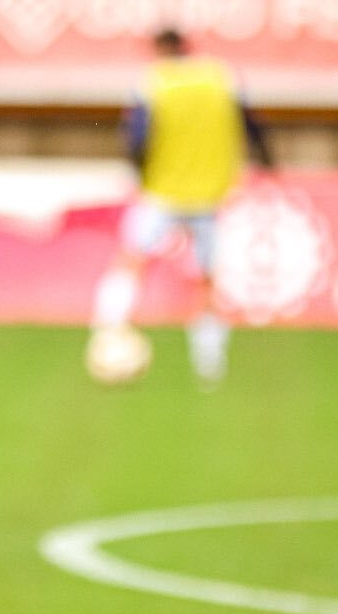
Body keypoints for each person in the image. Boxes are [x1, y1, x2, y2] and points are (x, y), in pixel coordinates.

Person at [89, 26, 272, 387]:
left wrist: (138, 170)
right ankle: (209, 364)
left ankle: (107, 334)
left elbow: (138, 134)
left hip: (164, 190)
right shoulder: (220, 76)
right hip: (209, 192)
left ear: (159, 49)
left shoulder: (155, 81)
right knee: (205, 280)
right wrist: (267, 163)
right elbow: (251, 124)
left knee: (131, 260)